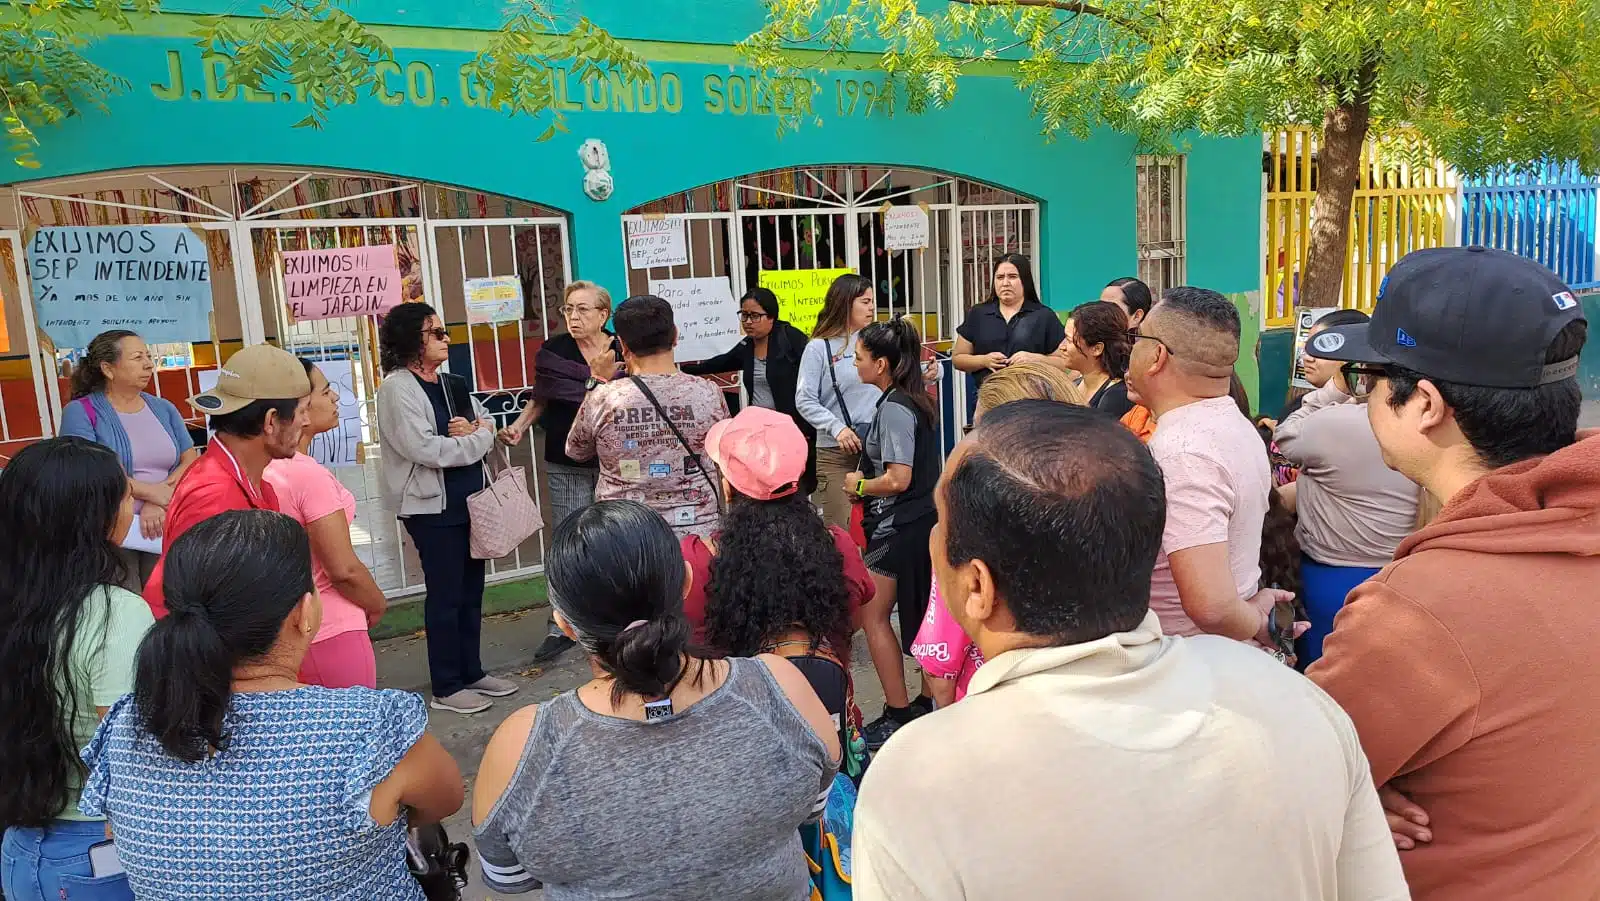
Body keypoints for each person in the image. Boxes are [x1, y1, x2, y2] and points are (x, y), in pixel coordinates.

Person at [852, 400, 1409, 901]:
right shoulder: (1293, 703)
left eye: (940, 521)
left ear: (977, 586)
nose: (932, 538)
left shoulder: (922, 776)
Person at [1305, 246, 1600, 901]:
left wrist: (1340, 793)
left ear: (1426, 404)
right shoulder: (1573, 526)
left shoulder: (1418, 614)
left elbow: (1282, 785)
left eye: (1364, 377)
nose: (1360, 396)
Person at [79, 510, 465, 900]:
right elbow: (445, 798)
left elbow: (117, 830)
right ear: (303, 613)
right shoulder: (367, 728)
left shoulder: (129, 723)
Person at [472, 500, 840, 899]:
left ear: (564, 623)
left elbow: (509, 878)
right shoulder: (779, 687)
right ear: (686, 580)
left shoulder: (523, 745)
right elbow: (812, 808)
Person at [0, 437, 153, 901]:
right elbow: (129, 758)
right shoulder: (116, 613)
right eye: (125, 494)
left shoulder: (13, 606)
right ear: (96, 518)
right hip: (99, 856)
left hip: (18, 850)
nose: (134, 502)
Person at [690, 406, 875, 773]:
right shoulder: (837, 548)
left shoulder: (698, 563)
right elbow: (849, 623)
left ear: (727, 486)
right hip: (828, 736)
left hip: (738, 748)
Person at [1125, 288, 1295, 657]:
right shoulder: (1234, 424)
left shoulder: (1183, 452)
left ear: (1156, 356)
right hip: (1217, 651)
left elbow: (1211, 605)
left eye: (1137, 339)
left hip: (1187, 661)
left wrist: (1261, 626)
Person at [912, 361, 1084, 707]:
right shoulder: (1102, 507)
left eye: (975, 430)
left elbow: (939, 664)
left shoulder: (962, 527)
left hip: (986, 710)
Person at [375, 302, 518, 714]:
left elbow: (486, 418)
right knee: (446, 594)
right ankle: (447, 685)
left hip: (470, 499)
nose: (445, 338)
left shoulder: (452, 383)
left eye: (444, 330)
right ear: (411, 341)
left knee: (472, 590)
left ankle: (472, 671)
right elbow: (423, 449)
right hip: (430, 508)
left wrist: (478, 430)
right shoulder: (397, 389)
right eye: (435, 332)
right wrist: (475, 440)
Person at [1273, 309, 1417, 667]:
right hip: (1399, 572)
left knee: (1326, 674)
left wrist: (1334, 390)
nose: (1308, 357)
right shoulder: (1420, 418)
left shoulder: (1333, 423)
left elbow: (1286, 437)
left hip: (1331, 576)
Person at [498, 281, 622, 665]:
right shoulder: (554, 351)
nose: (574, 317)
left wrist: (595, 382)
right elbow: (542, 397)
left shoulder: (622, 348)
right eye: (568, 309)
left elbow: (627, 393)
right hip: (564, 458)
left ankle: (616, 615)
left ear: (603, 314)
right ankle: (562, 622)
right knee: (570, 539)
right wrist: (518, 426)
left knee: (614, 537)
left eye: (583, 309)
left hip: (613, 460)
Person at [142, 342, 311, 619]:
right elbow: (197, 613)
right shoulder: (213, 495)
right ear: (270, 421)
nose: (306, 421)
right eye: (302, 410)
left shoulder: (250, 482)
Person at [844, 318, 942, 748]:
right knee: (920, 611)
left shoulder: (896, 408)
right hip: (915, 524)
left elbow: (899, 477)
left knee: (874, 616)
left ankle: (899, 711)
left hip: (898, 527)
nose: (853, 363)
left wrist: (859, 485)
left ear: (881, 363)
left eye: (859, 357)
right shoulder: (910, 400)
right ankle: (920, 702)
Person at [263, 359, 388, 689]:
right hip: (331, 626)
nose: (335, 398)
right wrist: (376, 602)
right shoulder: (304, 474)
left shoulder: (270, 469)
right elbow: (343, 570)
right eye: (326, 391)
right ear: (299, 407)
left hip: (293, 631)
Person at [566, 294, 729, 540]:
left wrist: (597, 381)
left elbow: (576, 450)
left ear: (623, 345)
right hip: (697, 536)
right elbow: (727, 454)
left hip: (625, 535)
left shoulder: (604, 397)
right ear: (675, 335)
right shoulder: (708, 393)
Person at [58, 329, 199, 590]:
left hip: (166, 519)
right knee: (127, 600)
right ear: (108, 369)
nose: (148, 364)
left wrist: (157, 501)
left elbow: (190, 458)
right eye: (137, 357)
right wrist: (150, 494)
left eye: (147, 356)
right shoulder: (80, 412)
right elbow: (86, 471)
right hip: (111, 529)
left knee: (169, 599)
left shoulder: (163, 408)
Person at [682, 286, 817, 495]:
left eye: (755, 316)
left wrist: (807, 427)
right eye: (744, 315)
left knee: (793, 489)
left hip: (791, 430)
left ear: (771, 316)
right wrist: (680, 370)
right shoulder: (748, 345)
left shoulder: (790, 339)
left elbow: (815, 372)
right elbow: (719, 363)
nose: (748, 322)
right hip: (761, 433)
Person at [796, 273, 883, 529]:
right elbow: (805, 399)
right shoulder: (818, 348)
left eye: (872, 301)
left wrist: (932, 372)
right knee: (842, 532)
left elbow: (899, 375)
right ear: (846, 303)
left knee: (878, 531)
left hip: (877, 447)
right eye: (865, 302)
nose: (872, 308)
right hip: (836, 452)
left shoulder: (877, 339)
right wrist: (837, 428)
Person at [951, 253, 1068, 389]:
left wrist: (1034, 359)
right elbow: (958, 359)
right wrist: (984, 360)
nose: (1005, 283)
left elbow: (1064, 362)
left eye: (1012, 277)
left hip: (1032, 398)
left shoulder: (1044, 315)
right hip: (989, 397)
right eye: (1000, 277)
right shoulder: (978, 314)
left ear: (1025, 281)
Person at [1062, 300, 1135, 417]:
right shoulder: (1073, 386)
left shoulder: (1116, 397)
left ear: (1097, 348)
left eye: (1069, 340)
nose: (1062, 347)